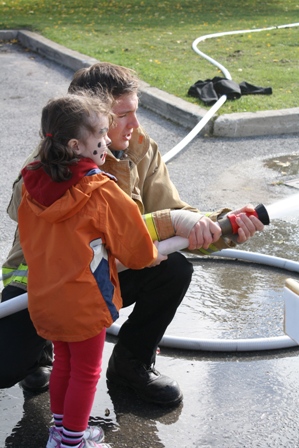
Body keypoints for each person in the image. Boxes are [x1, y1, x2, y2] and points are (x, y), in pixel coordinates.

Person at [0, 62, 264, 408]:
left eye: (135, 112)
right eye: (122, 115)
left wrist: (222, 225)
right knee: (5, 367)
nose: (134, 125)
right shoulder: (55, 159)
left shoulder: (141, 148)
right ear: (87, 120)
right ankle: (39, 356)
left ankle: (131, 365)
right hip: (39, 287)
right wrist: (97, 171)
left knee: (173, 270)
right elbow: (30, 207)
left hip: (97, 275)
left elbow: (174, 215)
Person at [17, 92, 167, 448]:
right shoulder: (100, 190)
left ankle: (61, 430)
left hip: (47, 299)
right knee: (86, 371)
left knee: (64, 365)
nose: (105, 141)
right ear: (75, 145)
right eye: (100, 134)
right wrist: (153, 256)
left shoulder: (30, 186)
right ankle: (72, 440)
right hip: (84, 302)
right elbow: (134, 246)